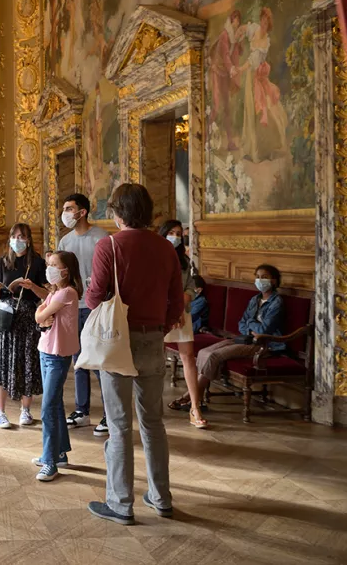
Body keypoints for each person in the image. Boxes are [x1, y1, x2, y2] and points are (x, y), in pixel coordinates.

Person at [84, 183, 183, 525]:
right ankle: (161, 497)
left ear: (117, 211)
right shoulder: (166, 248)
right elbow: (177, 301)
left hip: (118, 341)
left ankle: (121, 503)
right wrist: (161, 327)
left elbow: (95, 297)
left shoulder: (108, 245)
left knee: (119, 424)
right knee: (153, 422)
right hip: (154, 338)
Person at [171, 265, 285, 416]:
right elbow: (241, 324)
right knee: (205, 352)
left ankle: (191, 398)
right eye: (257, 276)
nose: (259, 280)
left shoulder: (277, 302)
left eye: (264, 277)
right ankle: (196, 398)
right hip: (246, 338)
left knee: (214, 356)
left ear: (274, 281)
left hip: (265, 344)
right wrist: (251, 328)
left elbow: (265, 330)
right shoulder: (254, 300)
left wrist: (250, 325)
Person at [58, 193, 110, 436]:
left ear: (83, 211)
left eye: (70, 208)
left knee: (98, 360)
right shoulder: (65, 242)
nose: (66, 213)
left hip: (95, 307)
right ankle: (82, 410)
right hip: (71, 306)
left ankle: (109, 414)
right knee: (78, 361)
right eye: (64, 208)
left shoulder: (101, 238)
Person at [0, 223, 48, 429]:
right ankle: (0, 412)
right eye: (14, 236)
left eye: (21, 236)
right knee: (1, 363)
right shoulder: (3, 262)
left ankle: (26, 409)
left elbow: (48, 294)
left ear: (28, 240)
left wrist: (34, 287)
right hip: (5, 317)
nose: (17, 240)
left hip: (27, 318)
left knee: (26, 363)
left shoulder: (38, 263)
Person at [33, 251, 83, 482]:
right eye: (48, 264)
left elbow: (41, 315)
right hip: (46, 350)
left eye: (54, 265)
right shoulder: (54, 292)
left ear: (66, 270)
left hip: (57, 355)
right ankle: (59, 452)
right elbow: (38, 314)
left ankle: (50, 462)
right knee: (55, 404)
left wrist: (42, 315)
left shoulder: (67, 292)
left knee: (48, 407)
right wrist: (42, 315)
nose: (49, 268)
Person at [158, 220, 206, 428]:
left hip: (182, 315)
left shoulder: (185, 261)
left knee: (188, 357)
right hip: (159, 313)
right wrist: (170, 309)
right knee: (156, 359)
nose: (176, 236)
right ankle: (153, 405)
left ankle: (195, 407)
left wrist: (179, 308)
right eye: (171, 232)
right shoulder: (154, 258)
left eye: (178, 233)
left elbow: (190, 287)